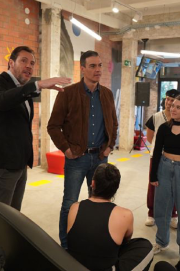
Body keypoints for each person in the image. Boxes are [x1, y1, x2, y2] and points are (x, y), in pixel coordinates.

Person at [0, 46, 70, 210]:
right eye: (24, 61)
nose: (29, 66)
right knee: (0, 219)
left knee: (13, 216)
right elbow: (1, 101)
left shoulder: (23, 91)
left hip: (18, 164)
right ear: (11, 63)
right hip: (3, 165)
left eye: (32, 63)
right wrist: (37, 85)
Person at [48, 50, 118, 249]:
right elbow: (53, 125)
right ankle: (66, 246)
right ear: (82, 68)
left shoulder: (107, 94)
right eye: (93, 66)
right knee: (69, 204)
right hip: (77, 158)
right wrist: (67, 150)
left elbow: (114, 123)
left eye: (100, 66)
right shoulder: (68, 93)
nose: (98, 70)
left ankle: (91, 243)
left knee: (98, 205)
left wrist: (109, 146)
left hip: (100, 158)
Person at [67, 163, 153, 271]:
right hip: (104, 267)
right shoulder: (125, 215)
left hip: (73, 266)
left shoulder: (74, 208)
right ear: (115, 188)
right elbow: (125, 241)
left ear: (93, 184)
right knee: (146, 246)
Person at [149, 95, 180, 254]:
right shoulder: (164, 127)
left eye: (178, 107)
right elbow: (156, 152)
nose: (173, 109)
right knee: (161, 208)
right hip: (164, 168)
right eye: (172, 106)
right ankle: (161, 242)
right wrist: (153, 176)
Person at [145, 89, 180, 228]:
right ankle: (151, 213)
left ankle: (173, 214)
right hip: (156, 156)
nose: (169, 103)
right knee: (153, 184)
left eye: (173, 101)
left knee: (173, 185)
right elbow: (150, 137)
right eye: (167, 99)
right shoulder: (156, 117)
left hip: (174, 157)